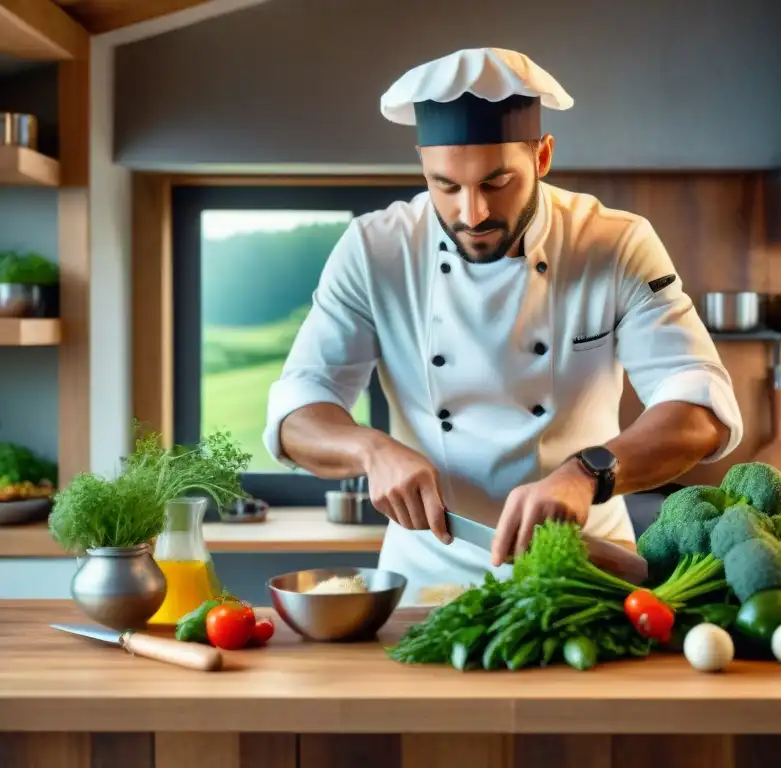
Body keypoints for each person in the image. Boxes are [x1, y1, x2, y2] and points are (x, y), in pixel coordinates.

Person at [263, 47, 743, 603]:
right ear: (422, 165)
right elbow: (299, 407)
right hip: (426, 580)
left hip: (583, 571)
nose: (472, 214)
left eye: (496, 183)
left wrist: (590, 473)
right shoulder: (375, 250)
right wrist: (369, 450)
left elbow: (698, 406)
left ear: (542, 157)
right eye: (445, 185)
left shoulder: (615, 243)